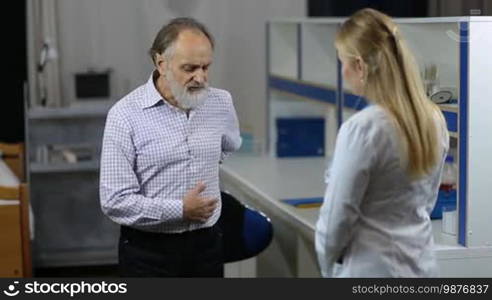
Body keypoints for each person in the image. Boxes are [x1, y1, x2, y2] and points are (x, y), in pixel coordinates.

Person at [99, 17, 241, 277]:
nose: (200, 77)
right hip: (148, 253)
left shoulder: (221, 102)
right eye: (189, 68)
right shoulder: (125, 115)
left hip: (207, 247)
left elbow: (227, 147)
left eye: (206, 67)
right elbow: (114, 201)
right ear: (161, 63)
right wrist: (181, 209)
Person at [315, 8, 449, 277]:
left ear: (360, 66)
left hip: (371, 269)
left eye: (343, 61)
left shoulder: (363, 128)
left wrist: (328, 266)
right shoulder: (434, 119)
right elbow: (427, 201)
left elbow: (336, 219)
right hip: (419, 265)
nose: (342, 72)